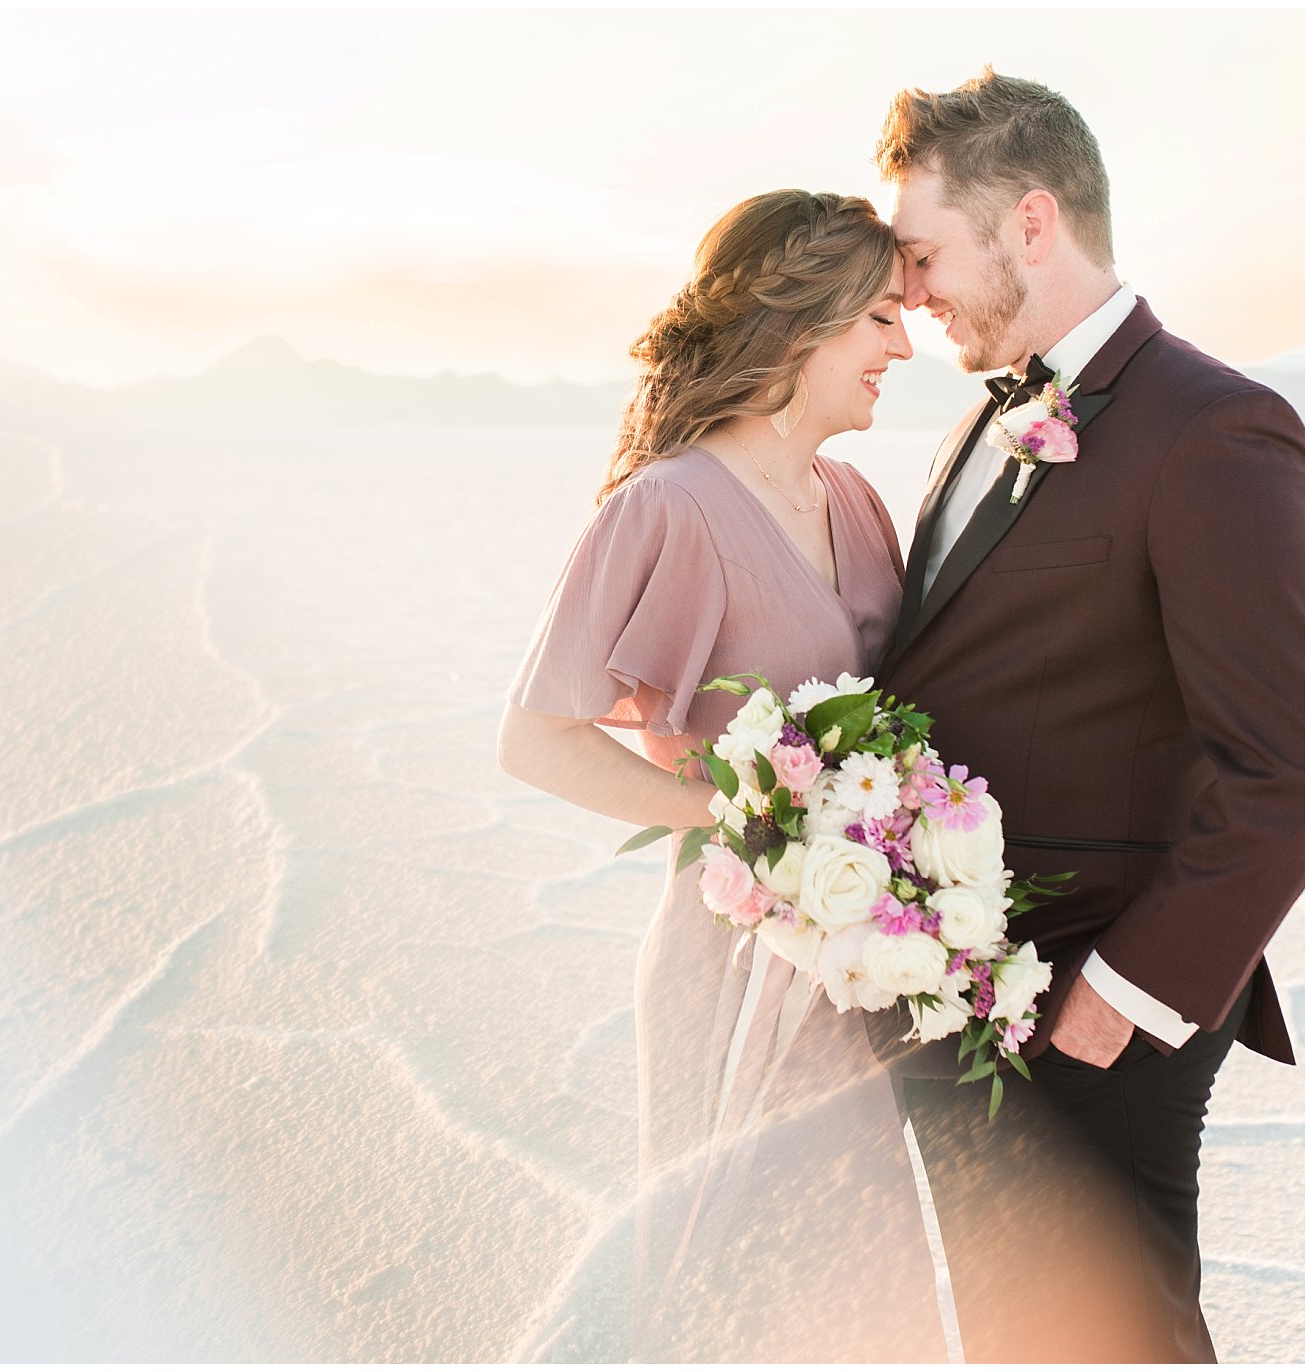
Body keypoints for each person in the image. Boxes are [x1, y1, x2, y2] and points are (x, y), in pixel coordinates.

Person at [867, 70, 1305, 1361]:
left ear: (1032, 222)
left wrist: (1119, 1003)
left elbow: (1299, 766)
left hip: (1092, 1010)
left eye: (923, 252)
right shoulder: (984, 419)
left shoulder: (1216, 431)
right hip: (965, 1002)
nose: (908, 291)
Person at [497, 190, 948, 1362]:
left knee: (867, 1289)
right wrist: (732, 818)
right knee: (737, 1288)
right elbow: (534, 736)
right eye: (883, 319)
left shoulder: (854, 502)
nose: (905, 345)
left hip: (856, 973)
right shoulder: (668, 508)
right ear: (803, 322)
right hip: (730, 967)